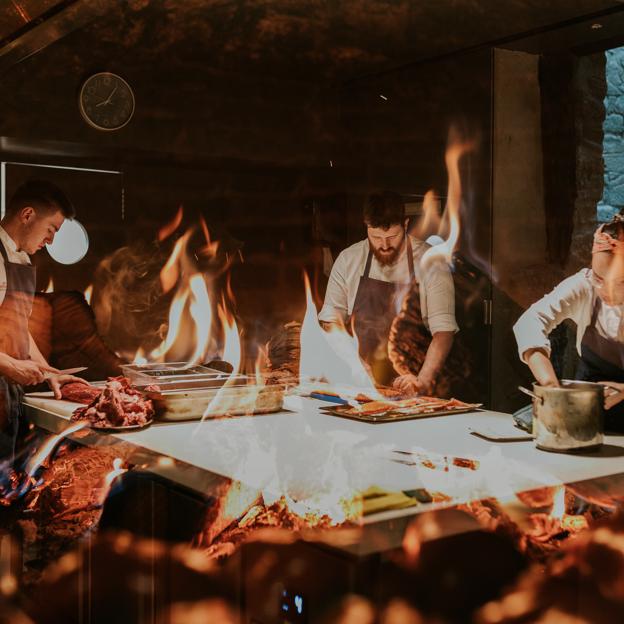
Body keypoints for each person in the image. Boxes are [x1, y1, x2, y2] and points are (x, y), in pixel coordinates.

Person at [318, 191, 458, 392]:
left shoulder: (431, 262)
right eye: (376, 237)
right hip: (362, 386)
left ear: (406, 225)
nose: (384, 245)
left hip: (414, 382)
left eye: (392, 237)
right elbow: (331, 321)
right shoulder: (348, 260)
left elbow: (443, 331)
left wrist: (423, 380)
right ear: (366, 227)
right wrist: (353, 362)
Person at [0, 180, 88, 461]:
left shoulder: (21, 259)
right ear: (27, 215)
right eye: (51, 229)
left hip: (6, 394)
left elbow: (19, 327)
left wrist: (50, 373)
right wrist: (11, 364)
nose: (50, 241)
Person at [514, 214, 624, 431]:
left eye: (620, 282)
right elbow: (530, 321)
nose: (605, 291)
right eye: (599, 278)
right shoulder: (584, 285)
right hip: (589, 412)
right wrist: (549, 386)